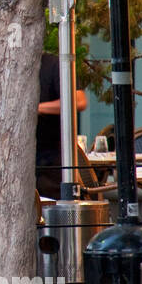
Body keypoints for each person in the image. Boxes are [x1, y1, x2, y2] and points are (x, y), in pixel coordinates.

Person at [36, 51, 88, 199]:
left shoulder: (53, 64)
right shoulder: (7, 69)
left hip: (50, 162)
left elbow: (79, 101)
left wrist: (36, 108)